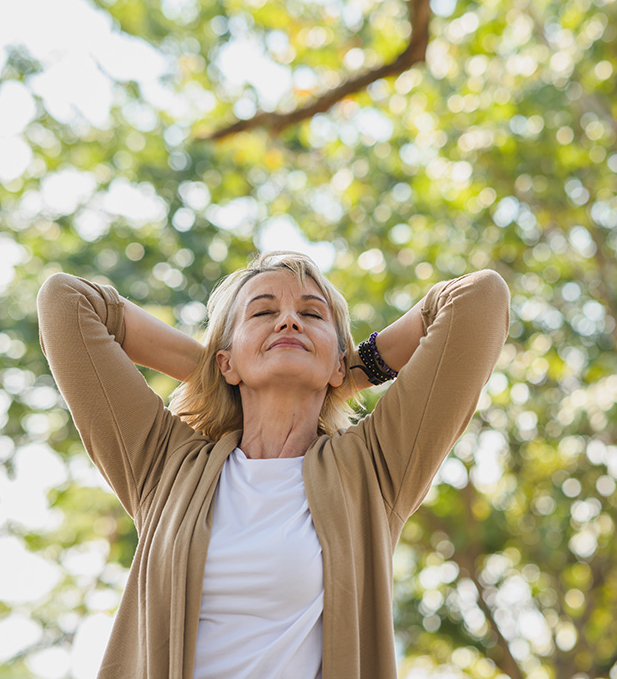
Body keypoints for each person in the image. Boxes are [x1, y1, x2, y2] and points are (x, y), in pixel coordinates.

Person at [36, 250, 510, 679]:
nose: (288, 322)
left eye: (310, 314)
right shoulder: (165, 465)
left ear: (338, 362)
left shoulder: (373, 467)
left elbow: (479, 299)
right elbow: (66, 302)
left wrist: (347, 372)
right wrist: (214, 373)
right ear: (227, 362)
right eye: (263, 313)